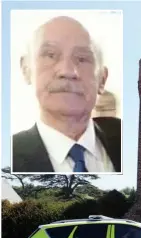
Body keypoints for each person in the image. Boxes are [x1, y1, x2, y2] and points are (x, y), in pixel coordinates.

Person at [12, 16, 121, 173]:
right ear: (26, 69)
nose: (68, 71)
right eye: (50, 55)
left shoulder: (125, 139)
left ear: (102, 79)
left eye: (82, 59)